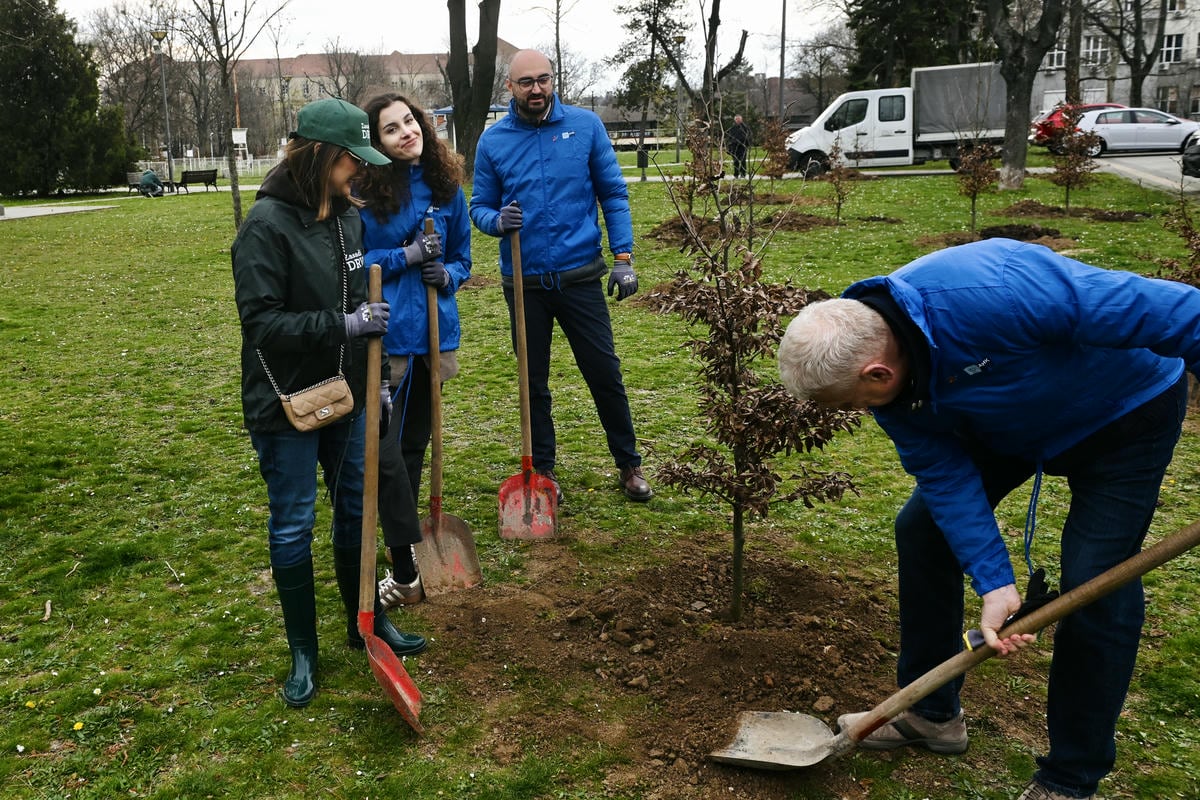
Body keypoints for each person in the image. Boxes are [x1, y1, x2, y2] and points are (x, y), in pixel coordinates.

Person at [777, 238, 1198, 800]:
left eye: (855, 403)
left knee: (1097, 581)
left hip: (1125, 413)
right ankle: (931, 714)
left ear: (878, 372)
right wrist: (994, 581)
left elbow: (1182, 314)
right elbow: (945, 474)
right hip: (1009, 425)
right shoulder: (892, 388)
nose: (861, 413)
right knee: (923, 531)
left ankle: (1070, 777)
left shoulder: (992, 288)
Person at [232, 97, 427, 709]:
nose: (361, 173)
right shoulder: (265, 227)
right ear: (323, 156)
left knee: (354, 513)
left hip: (347, 393)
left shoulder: (348, 216)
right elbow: (262, 323)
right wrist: (341, 325)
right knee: (293, 524)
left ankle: (362, 622)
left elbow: (358, 293)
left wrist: (379, 382)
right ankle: (302, 651)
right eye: (353, 162)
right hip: (286, 401)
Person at [469, 49, 652, 503]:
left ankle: (629, 463)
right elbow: (479, 207)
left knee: (604, 372)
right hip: (525, 284)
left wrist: (623, 257)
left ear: (553, 81)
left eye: (543, 79)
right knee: (533, 383)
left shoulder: (586, 127)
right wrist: (497, 222)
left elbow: (613, 192)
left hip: (580, 278)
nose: (536, 89)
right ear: (509, 88)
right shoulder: (494, 142)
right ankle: (543, 471)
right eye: (526, 82)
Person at [356, 93, 472, 607]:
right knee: (391, 455)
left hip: (435, 335)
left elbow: (464, 258)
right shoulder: (363, 196)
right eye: (390, 129)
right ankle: (403, 560)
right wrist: (405, 255)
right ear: (375, 143)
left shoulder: (447, 189)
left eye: (410, 120)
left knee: (416, 446)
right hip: (392, 342)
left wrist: (446, 272)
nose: (406, 132)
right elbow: (355, 264)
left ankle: (407, 551)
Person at [726, 114, 751, 178]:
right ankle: (736, 174)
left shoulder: (745, 128)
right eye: (736, 119)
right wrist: (729, 147)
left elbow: (749, 136)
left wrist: (747, 144)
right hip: (734, 147)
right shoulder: (732, 128)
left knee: (743, 161)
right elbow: (729, 138)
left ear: (741, 120)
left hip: (743, 147)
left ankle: (743, 174)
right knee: (735, 161)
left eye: (739, 119)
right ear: (735, 120)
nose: (738, 120)